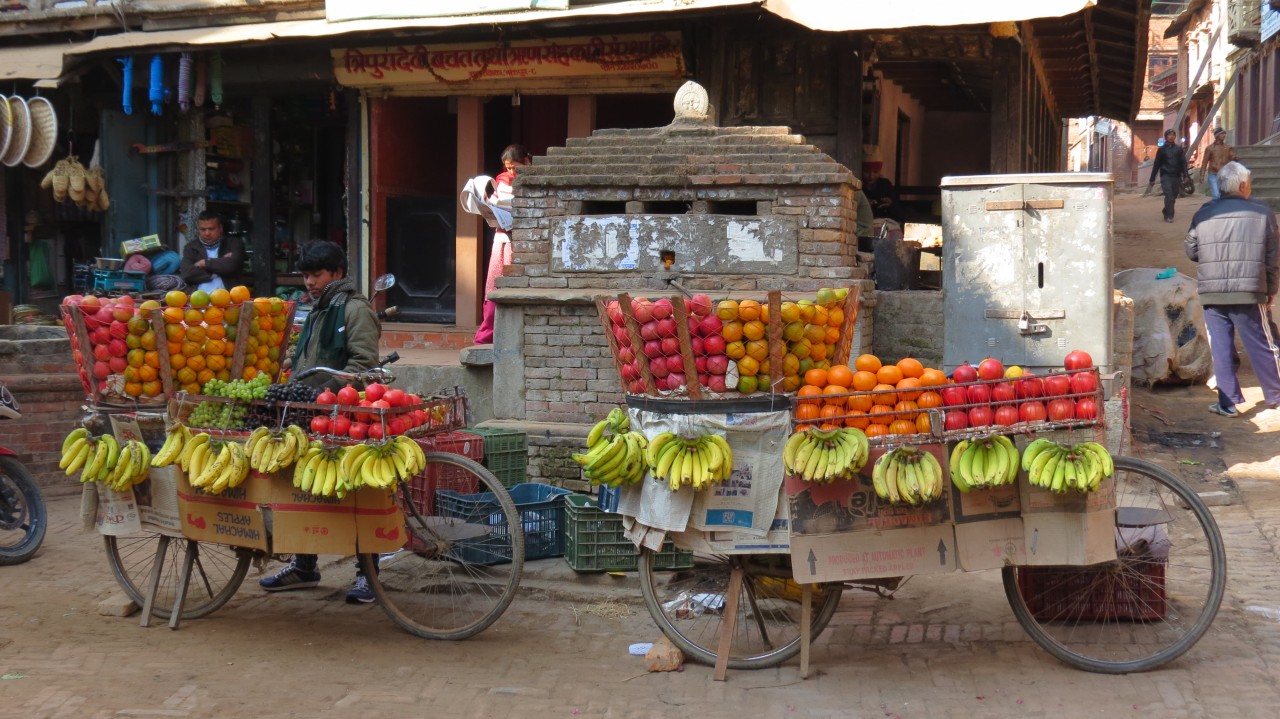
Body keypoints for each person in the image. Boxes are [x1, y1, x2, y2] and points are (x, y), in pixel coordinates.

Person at [260, 240, 383, 603]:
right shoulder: (318, 309)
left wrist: (327, 391)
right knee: (302, 489)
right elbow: (306, 363)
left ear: (337, 273)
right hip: (308, 414)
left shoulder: (354, 310)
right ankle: (304, 565)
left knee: (356, 494)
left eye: (316, 275)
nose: (309, 282)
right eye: (305, 275)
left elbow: (363, 366)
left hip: (344, 416)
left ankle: (368, 575)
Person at [1185, 161, 1280, 420]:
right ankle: (1276, 396)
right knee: (1263, 343)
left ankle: (1227, 404)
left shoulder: (1204, 212)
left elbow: (1192, 251)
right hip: (1249, 290)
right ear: (1242, 185)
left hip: (1212, 291)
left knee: (1221, 347)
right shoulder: (1263, 212)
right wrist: (1271, 290)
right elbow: (1272, 257)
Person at [474, 144, 531, 345]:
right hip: (502, 239)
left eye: (514, 167)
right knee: (493, 285)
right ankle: (485, 337)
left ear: (526, 161)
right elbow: (497, 204)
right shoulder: (501, 181)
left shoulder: (534, 180)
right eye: (508, 168)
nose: (511, 172)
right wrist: (489, 205)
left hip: (526, 242)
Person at [178, 211, 246, 292]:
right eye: (203, 229)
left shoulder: (233, 244)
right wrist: (220, 267)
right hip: (198, 300)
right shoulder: (191, 247)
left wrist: (204, 263)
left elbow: (232, 265)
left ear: (220, 228)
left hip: (230, 299)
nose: (207, 233)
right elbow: (187, 274)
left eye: (211, 229)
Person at [1149, 129, 1189, 224]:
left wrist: (1185, 175)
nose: (1171, 136)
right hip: (1165, 175)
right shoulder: (1162, 150)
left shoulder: (1179, 149)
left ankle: (1165, 210)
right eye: (1169, 135)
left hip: (1176, 176)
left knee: (1174, 195)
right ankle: (1170, 216)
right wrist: (1152, 178)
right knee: (1169, 195)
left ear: (1175, 137)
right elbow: (1156, 164)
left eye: (1173, 135)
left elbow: (1183, 163)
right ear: (1166, 136)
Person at [1200, 128, 1237, 200]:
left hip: (1224, 174)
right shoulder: (1210, 148)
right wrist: (1202, 175)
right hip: (1213, 174)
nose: (1224, 135)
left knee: (1223, 194)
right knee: (1216, 194)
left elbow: (1232, 156)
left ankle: (1221, 209)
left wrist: (1235, 157)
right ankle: (1216, 209)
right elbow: (1204, 162)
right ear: (1217, 135)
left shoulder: (1228, 147)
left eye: (1224, 133)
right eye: (1222, 134)